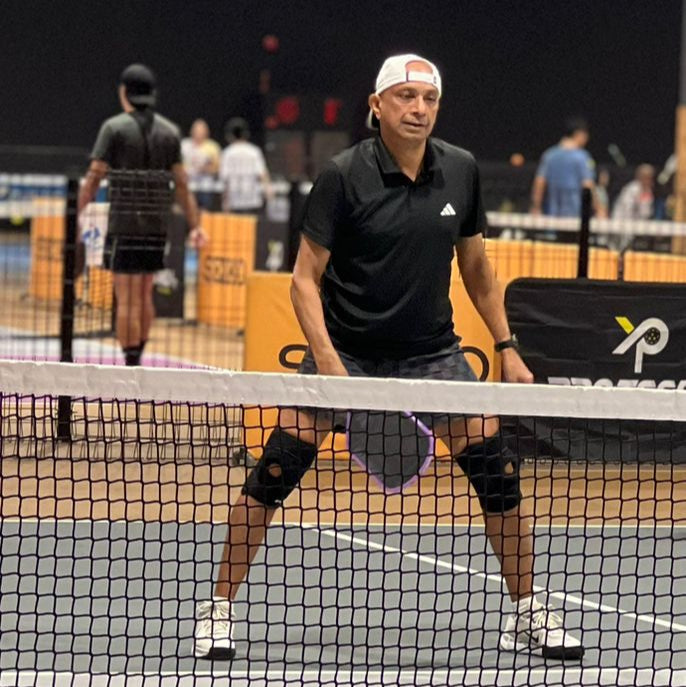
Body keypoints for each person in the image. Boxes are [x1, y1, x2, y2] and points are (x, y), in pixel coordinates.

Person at [195, 54, 584, 662]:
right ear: (377, 106)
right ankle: (218, 608)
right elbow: (303, 279)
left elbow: (476, 267)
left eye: (428, 99)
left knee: (499, 474)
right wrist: (330, 365)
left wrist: (506, 345)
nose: (418, 109)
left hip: (432, 353)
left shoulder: (460, 170)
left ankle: (527, 611)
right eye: (405, 96)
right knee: (274, 471)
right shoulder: (343, 175)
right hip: (347, 352)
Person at [78, 64, 203, 366]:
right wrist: (196, 225)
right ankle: (139, 357)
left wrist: (76, 209)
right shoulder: (170, 132)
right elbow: (182, 184)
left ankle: (130, 363)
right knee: (144, 295)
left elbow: (94, 176)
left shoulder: (114, 128)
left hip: (123, 224)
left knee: (126, 298)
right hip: (156, 226)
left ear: (124, 92)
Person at [531, 117, 606, 220]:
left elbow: (539, 182)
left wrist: (536, 207)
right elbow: (588, 185)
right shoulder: (583, 157)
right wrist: (599, 209)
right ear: (579, 134)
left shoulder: (549, 155)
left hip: (551, 216)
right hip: (575, 217)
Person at [218, 117, 271, 214]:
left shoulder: (227, 153)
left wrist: (225, 201)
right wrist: (268, 190)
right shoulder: (254, 151)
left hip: (234, 200)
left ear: (230, 135)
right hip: (252, 200)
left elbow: (225, 179)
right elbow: (262, 174)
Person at [181, 119, 221, 209]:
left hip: (205, 187)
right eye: (196, 131)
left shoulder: (212, 147)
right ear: (191, 131)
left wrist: (205, 168)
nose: (198, 133)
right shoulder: (184, 145)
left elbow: (217, 168)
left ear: (206, 132)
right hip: (187, 185)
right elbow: (177, 164)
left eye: (201, 131)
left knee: (204, 210)